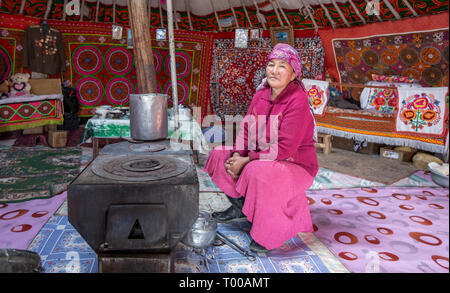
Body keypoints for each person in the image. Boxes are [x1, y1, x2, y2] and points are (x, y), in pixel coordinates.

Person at [203, 43, 319, 253]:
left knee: (256, 170)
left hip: (296, 164)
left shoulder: (298, 100)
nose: (274, 70)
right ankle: (241, 208)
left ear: (294, 74)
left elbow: (284, 148)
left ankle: (268, 232)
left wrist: (246, 161)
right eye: (271, 64)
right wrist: (238, 154)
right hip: (263, 157)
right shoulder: (261, 96)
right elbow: (246, 131)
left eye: (282, 66)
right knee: (220, 154)